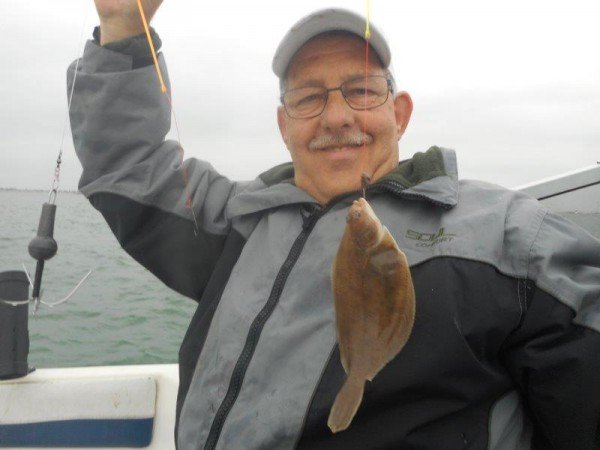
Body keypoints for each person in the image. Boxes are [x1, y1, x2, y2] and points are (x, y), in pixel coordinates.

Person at [70, 1, 600, 449]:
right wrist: (123, 27)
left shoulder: (511, 236)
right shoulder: (237, 220)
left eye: (362, 91)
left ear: (402, 113)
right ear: (284, 126)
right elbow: (125, 164)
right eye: (308, 98)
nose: (337, 117)